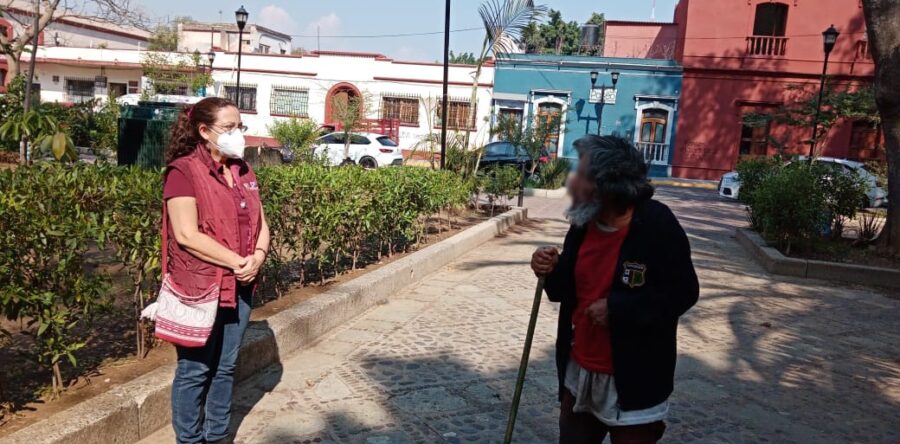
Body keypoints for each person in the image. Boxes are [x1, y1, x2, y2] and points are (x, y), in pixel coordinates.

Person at [530, 135, 699, 444]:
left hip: (636, 380)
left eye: (582, 175)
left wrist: (618, 309)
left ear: (606, 187)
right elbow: (565, 289)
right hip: (580, 373)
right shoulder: (583, 223)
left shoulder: (658, 225)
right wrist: (548, 268)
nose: (573, 182)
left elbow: (683, 292)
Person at [163, 97, 271, 444]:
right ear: (204, 131)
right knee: (195, 370)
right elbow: (186, 234)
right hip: (201, 287)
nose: (237, 133)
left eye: (240, 126)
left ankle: (218, 436)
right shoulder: (183, 172)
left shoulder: (243, 170)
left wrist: (258, 254)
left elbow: (261, 222)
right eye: (229, 128)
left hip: (240, 284)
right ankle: (190, 440)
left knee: (225, 367)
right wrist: (236, 262)